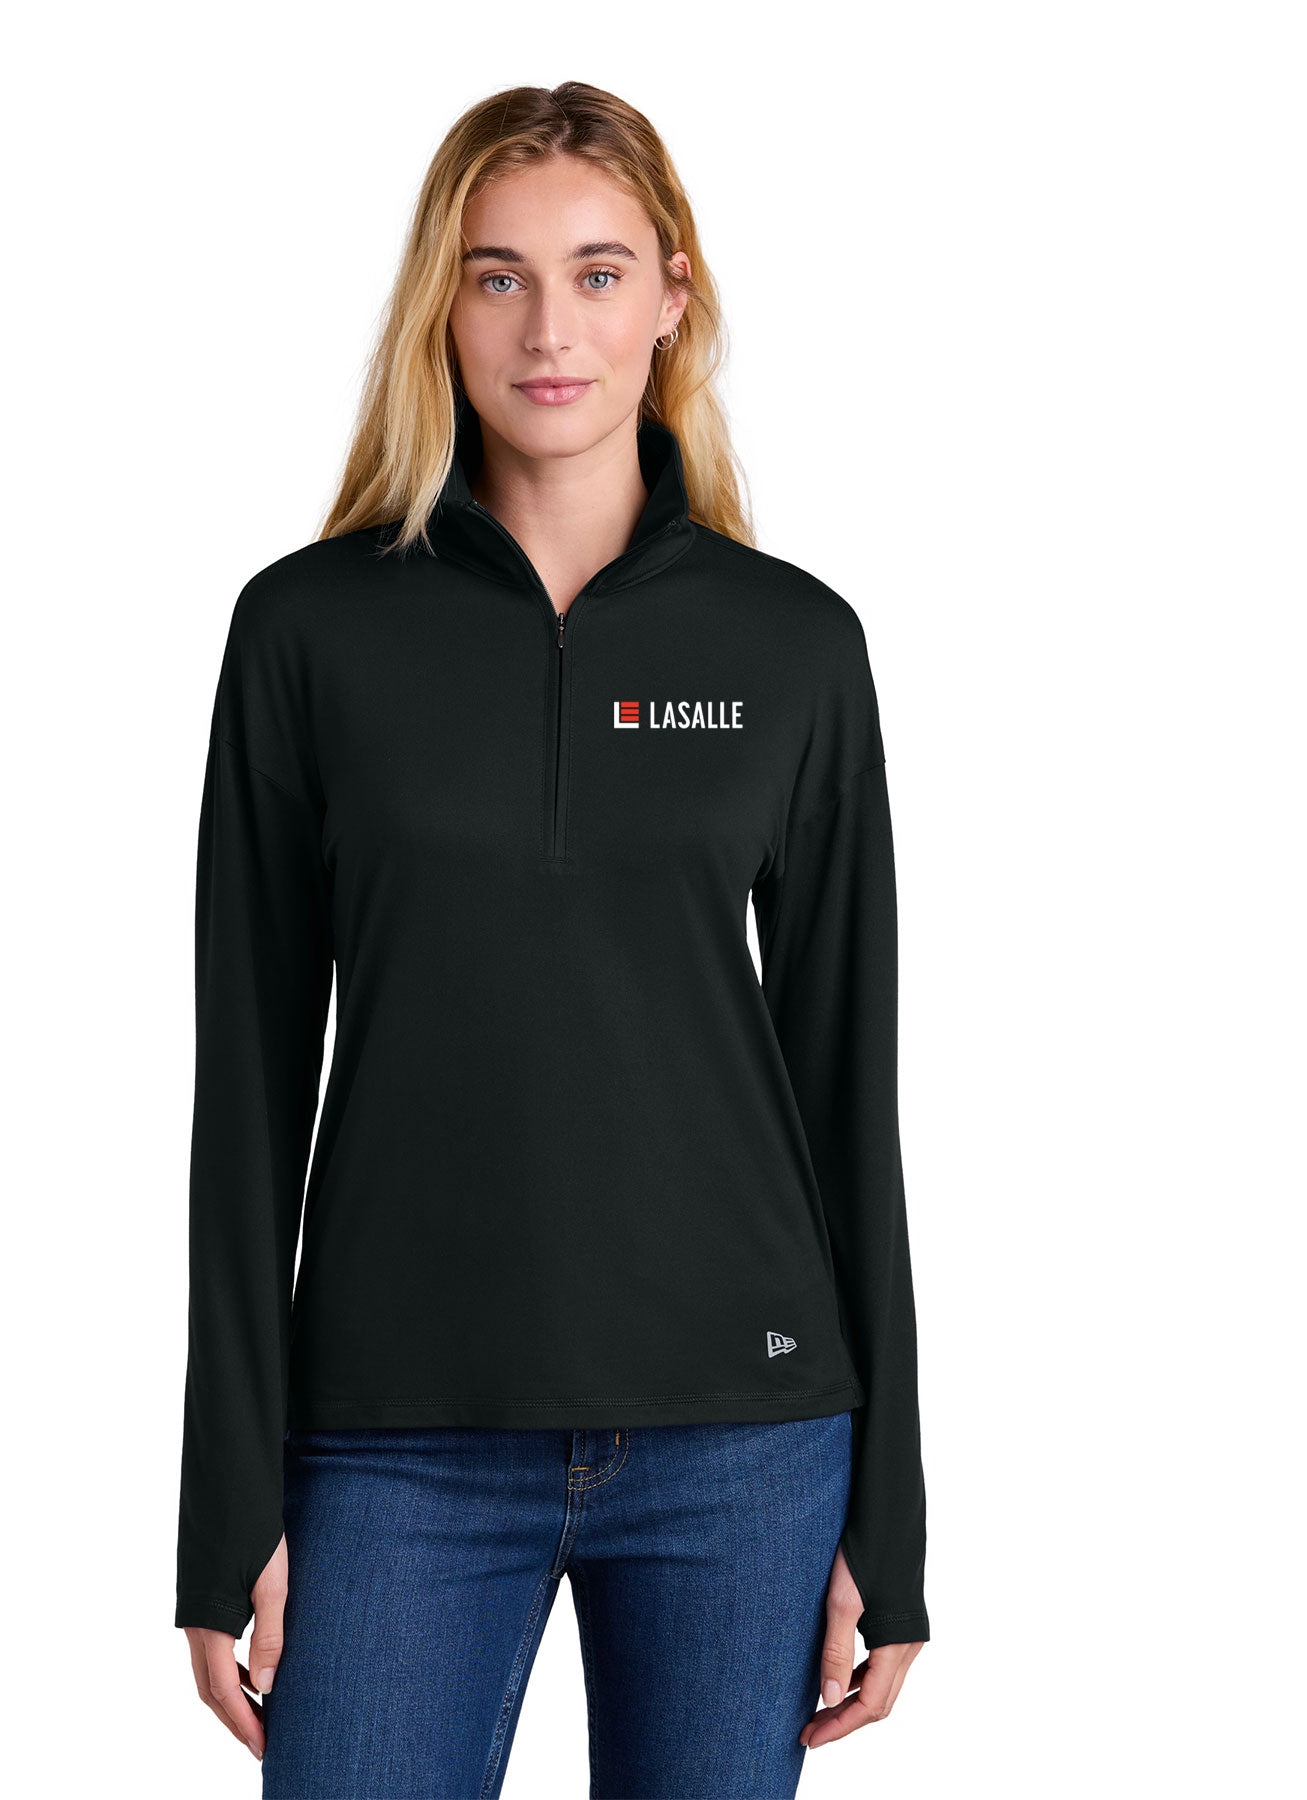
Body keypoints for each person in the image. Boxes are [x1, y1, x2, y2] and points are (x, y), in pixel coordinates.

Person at [176, 80, 930, 1798]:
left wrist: (890, 1511)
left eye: (597, 274)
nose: (547, 330)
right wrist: (225, 1500)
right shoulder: (306, 633)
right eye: (497, 275)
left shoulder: (794, 647)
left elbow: (847, 1090)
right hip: (392, 1442)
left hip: (745, 1443)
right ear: (440, 304)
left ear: (673, 295)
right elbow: (247, 1090)